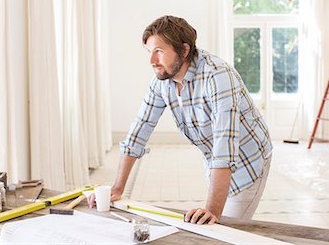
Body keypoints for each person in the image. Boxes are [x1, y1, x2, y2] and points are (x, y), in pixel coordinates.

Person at [89, 15, 273, 225]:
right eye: (149, 52)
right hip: (214, 158)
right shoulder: (163, 81)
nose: (152, 61)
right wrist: (117, 188)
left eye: (159, 51)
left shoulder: (218, 76)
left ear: (184, 50)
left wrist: (212, 210)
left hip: (246, 160)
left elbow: (224, 148)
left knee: (224, 231)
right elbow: (138, 131)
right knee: (212, 226)